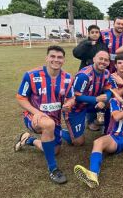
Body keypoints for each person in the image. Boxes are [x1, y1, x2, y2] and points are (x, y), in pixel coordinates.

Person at [14, 45, 74, 184]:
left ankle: (29, 140)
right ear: (47, 58)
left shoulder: (67, 78)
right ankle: (53, 170)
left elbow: (71, 97)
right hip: (34, 116)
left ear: (63, 60)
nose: (56, 60)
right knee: (48, 125)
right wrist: (37, 112)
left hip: (55, 119)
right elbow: (20, 97)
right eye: (52, 56)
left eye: (59, 57)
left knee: (55, 151)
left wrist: (69, 104)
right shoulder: (31, 75)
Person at [62, 50, 112, 146]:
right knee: (78, 142)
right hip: (75, 108)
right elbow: (75, 96)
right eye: (100, 58)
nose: (103, 61)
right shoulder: (84, 75)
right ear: (94, 59)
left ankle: (106, 131)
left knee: (110, 103)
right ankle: (57, 131)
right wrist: (96, 99)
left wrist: (105, 99)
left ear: (109, 62)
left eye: (106, 60)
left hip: (89, 105)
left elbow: (108, 90)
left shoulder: (106, 73)